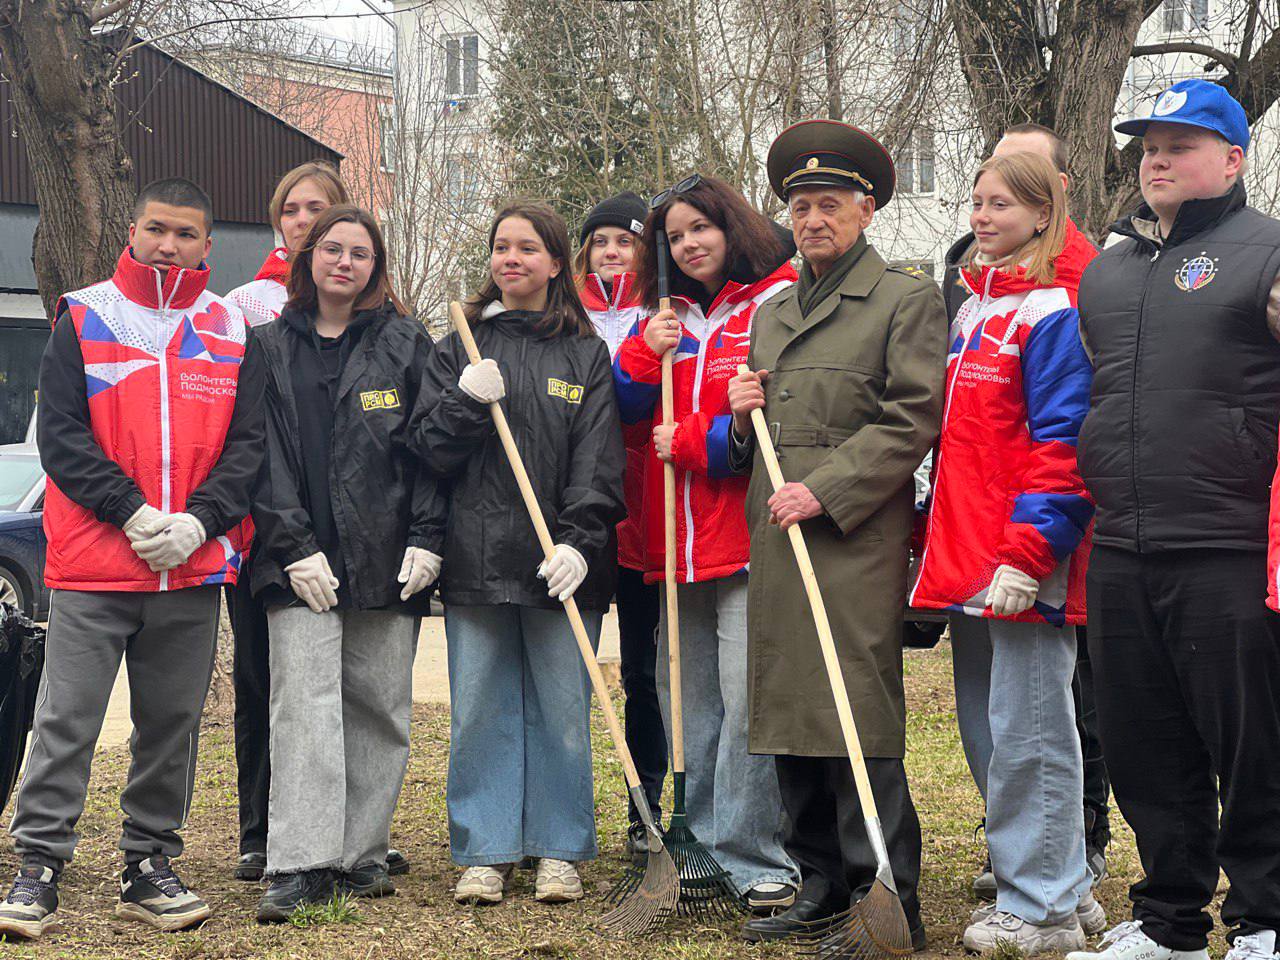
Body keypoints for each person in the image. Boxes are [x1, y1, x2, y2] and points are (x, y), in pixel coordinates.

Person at [0, 178, 265, 940]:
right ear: (134, 229)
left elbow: (247, 449)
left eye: (186, 234)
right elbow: (63, 439)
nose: (169, 245)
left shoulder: (231, 328)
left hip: (189, 567)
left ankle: (147, 864)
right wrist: (136, 511)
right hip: (93, 563)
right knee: (66, 720)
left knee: (171, 726)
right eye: (156, 228)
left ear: (207, 245)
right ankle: (38, 864)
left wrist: (199, 524)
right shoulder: (84, 315)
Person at [1068, 79, 1280, 960]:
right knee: (1143, 744)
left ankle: (1269, 919)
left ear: (1232, 160)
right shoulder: (1106, 271)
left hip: (1227, 544)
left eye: (1180, 144)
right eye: (1148, 144)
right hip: (1122, 543)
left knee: (1255, 747)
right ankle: (1170, 924)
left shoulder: (1268, 252)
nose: (1156, 158)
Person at [726, 120, 944, 950]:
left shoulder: (904, 299)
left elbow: (913, 416)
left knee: (855, 710)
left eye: (830, 205)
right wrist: (743, 417)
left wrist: (825, 491)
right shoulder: (775, 313)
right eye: (801, 207)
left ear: (866, 211)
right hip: (778, 539)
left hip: (853, 539)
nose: (813, 221)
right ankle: (817, 880)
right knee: (788, 706)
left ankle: (885, 895)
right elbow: (765, 435)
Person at [910, 152, 1102, 954]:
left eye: (1000, 205)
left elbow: (1064, 444)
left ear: (1041, 212)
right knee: (1002, 728)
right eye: (977, 202)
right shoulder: (974, 310)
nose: (982, 217)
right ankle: (1065, 886)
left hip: (1022, 559)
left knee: (1031, 730)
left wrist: (1029, 554)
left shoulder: (1053, 309)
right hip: (971, 555)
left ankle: (1046, 908)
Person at [411, 201, 625, 906]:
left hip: (561, 565)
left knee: (562, 709)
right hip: (479, 561)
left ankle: (559, 849)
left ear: (557, 263)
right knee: (481, 710)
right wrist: (463, 404)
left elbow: (598, 461)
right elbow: (427, 453)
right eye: (502, 246)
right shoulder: (460, 348)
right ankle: (487, 848)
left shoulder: (584, 352)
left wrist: (579, 541)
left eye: (528, 248)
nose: (512, 258)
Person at [612, 174, 801, 913]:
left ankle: (754, 857)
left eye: (701, 228)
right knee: (687, 705)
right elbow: (625, 412)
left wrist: (694, 440)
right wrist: (639, 354)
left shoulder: (774, 301)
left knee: (749, 703)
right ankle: (703, 851)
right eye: (675, 235)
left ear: (732, 227)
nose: (690, 244)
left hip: (747, 540)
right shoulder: (662, 315)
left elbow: (770, 423)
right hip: (672, 544)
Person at [249, 205, 439, 921]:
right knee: (303, 709)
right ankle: (300, 862)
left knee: (379, 707)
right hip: (295, 562)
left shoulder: (405, 343)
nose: (345, 262)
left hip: (387, 558)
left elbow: (429, 450)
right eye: (333, 249)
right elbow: (258, 454)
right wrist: (293, 546)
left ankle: (361, 853)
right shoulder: (266, 346)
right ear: (308, 258)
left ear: (375, 267)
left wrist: (428, 536)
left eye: (361, 253)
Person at [223, 160, 352, 884]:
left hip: (344, 526)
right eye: (293, 210)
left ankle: (342, 831)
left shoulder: (367, 307)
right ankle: (259, 829)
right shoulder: (244, 304)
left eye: (319, 209)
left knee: (337, 686)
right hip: (258, 534)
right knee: (260, 678)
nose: (304, 221)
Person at [574, 191, 667, 864]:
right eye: (601, 240)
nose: (611, 252)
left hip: (642, 512)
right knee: (567, 665)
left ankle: (648, 805)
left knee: (644, 670)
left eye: (625, 241)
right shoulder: (564, 316)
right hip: (575, 512)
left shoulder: (662, 313)